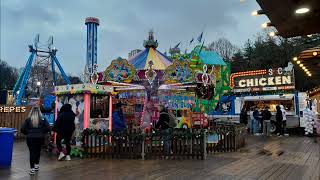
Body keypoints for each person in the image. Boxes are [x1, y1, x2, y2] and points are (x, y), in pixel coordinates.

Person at [21, 106, 50, 175]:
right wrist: (42, 132)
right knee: (38, 151)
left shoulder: (28, 119)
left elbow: (22, 129)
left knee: (32, 152)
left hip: (30, 138)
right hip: (40, 138)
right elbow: (48, 128)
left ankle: (32, 169)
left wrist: (28, 133)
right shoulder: (43, 119)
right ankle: (36, 166)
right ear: (39, 111)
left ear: (31, 111)